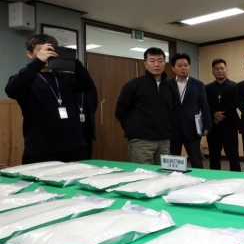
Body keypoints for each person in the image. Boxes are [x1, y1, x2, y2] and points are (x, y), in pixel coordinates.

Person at [5, 34, 95, 164]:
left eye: (51, 51)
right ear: (30, 54)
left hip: (75, 147)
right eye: (42, 51)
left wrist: (74, 61)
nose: (48, 55)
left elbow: (87, 85)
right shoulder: (26, 79)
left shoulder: (65, 77)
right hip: (41, 149)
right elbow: (12, 90)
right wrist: (38, 61)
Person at [115, 47, 178, 165]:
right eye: (152, 61)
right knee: (144, 175)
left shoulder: (170, 87)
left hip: (164, 141)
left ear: (165, 64)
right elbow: (120, 110)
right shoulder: (134, 85)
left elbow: (174, 111)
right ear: (145, 64)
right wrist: (132, 128)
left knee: (164, 175)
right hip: (142, 141)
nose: (156, 64)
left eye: (160, 61)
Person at [168, 53, 212, 169]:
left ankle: (199, 184)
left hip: (192, 128)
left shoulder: (198, 84)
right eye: (180, 65)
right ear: (173, 68)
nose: (183, 68)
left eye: (186, 65)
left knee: (196, 160)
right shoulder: (167, 85)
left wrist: (207, 125)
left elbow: (204, 106)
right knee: (173, 161)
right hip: (173, 129)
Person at [205, 58, 241, 171]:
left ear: (226, 70)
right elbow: (205, 104)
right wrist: (214, 114)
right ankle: (214, 181)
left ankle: (236, 180)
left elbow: (235, 103)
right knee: (214, 157)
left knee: (233, 157)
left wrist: (220, 116)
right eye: (217, 69)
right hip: (213, 129)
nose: (220, 71)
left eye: (222, 68)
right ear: (213, 72)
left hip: (230, 127)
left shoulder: (235, 86)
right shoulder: (207, 88)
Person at [77, 85, 99, 158]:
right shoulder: (63, 84)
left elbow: (94, 105)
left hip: (87, 132)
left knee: (87, 159)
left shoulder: (88, 85)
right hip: (71, 134)